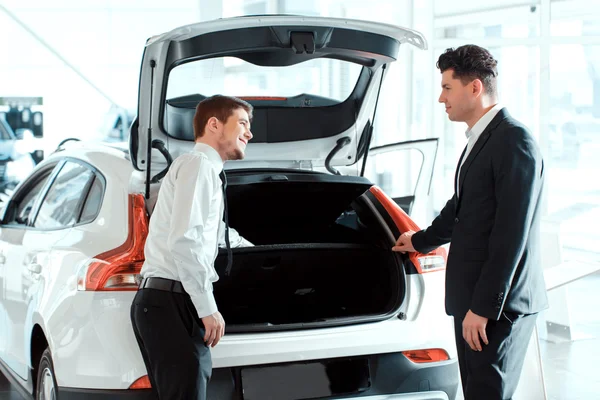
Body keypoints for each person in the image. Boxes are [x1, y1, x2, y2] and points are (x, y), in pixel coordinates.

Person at [392, 45, 548, 400]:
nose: (440, 98)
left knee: (488, 394)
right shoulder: (481, 140)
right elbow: (461, 208)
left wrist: (483, 308)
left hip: (498, 306)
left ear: (474, 88)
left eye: (447, 88)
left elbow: (512, 233)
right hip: (477, 300)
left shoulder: (514, 141)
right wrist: (419, 241)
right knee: (478, 392)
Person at [130, 95, 254, 400]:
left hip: (167, 302)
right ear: (214, 124)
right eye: (242, 123)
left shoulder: (204, 170)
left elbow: (213, 234)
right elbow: (185, 241)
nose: (249, 134)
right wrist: (207, 308)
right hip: (171, 301)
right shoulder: (198, 165)